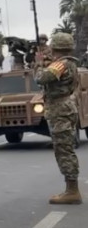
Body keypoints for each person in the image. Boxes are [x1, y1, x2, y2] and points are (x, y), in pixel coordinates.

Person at [34, 32, 81, 204]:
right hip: (63, 108)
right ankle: (71, 189)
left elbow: (42, 79)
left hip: (60, 110)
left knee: (64, 149)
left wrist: (38, 64)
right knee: (64, 148)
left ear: (56, 48)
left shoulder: (61, 64)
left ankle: (72, 191)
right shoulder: (68, 63)